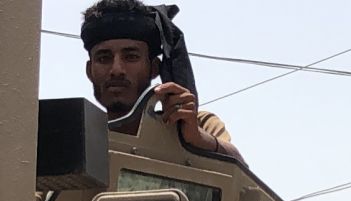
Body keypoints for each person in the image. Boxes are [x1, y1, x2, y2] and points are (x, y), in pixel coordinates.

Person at [80, 0, 243, 161]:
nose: (116, 70)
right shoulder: (78, 134)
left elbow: (240, 173)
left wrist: (197, 138)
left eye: (131, 57)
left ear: (154, 68)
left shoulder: (198, 124)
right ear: (89, 71)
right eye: (103, 58)